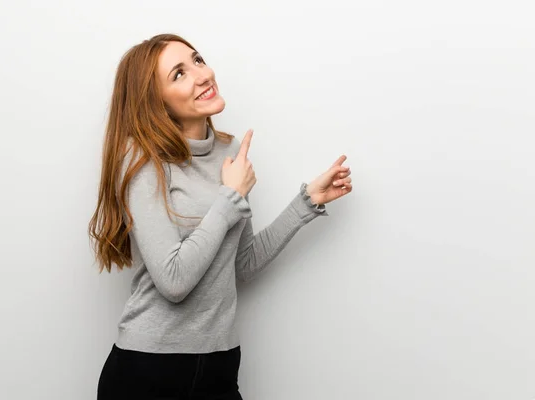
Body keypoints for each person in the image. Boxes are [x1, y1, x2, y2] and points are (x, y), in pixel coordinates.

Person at [88, 33, 353, 400]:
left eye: (197, 60)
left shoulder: (228, 154)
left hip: (220, 362)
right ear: (156, 102)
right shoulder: (143, 162)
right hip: (148, 368)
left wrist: (305, 203)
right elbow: (174, 281)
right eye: (178, 74)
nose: (201, 74)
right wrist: (230, 197)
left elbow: (240, 265)